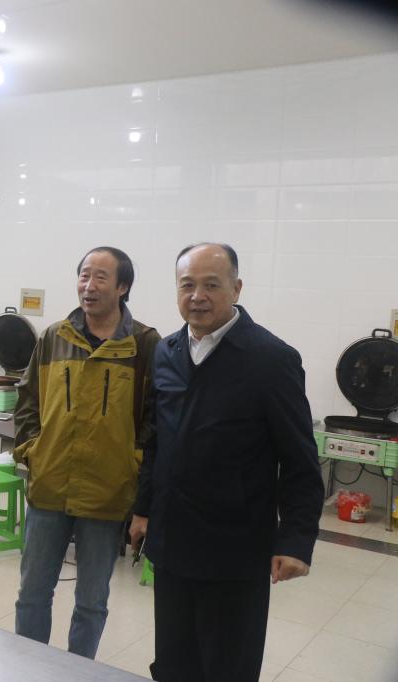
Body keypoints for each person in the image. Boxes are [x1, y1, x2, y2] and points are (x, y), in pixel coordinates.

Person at [130, 243, 324, 682]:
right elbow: (157, 441)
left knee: (227, 667)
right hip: (173, 543)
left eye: (211, 285)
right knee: (174, 665)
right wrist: (143, 509)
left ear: (236, 289)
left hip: (234, 550)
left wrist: (296, 540)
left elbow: (299, 458)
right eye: (187, 285)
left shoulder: (270, 359)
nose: (197, 296)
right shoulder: (167, 351)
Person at [13, 246, 160, 659]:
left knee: (92, 601)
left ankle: (80, 671)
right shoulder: (54, 337)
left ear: (123, 286)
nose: (88, 286)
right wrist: (32, 451)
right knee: (32, 593)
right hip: (50, 486)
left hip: (107, 493)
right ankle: (28, 667)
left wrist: (132, 463)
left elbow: (155, 416)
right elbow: (27, 398)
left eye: (100, 277)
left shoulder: (144, 344)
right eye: (83, 275)